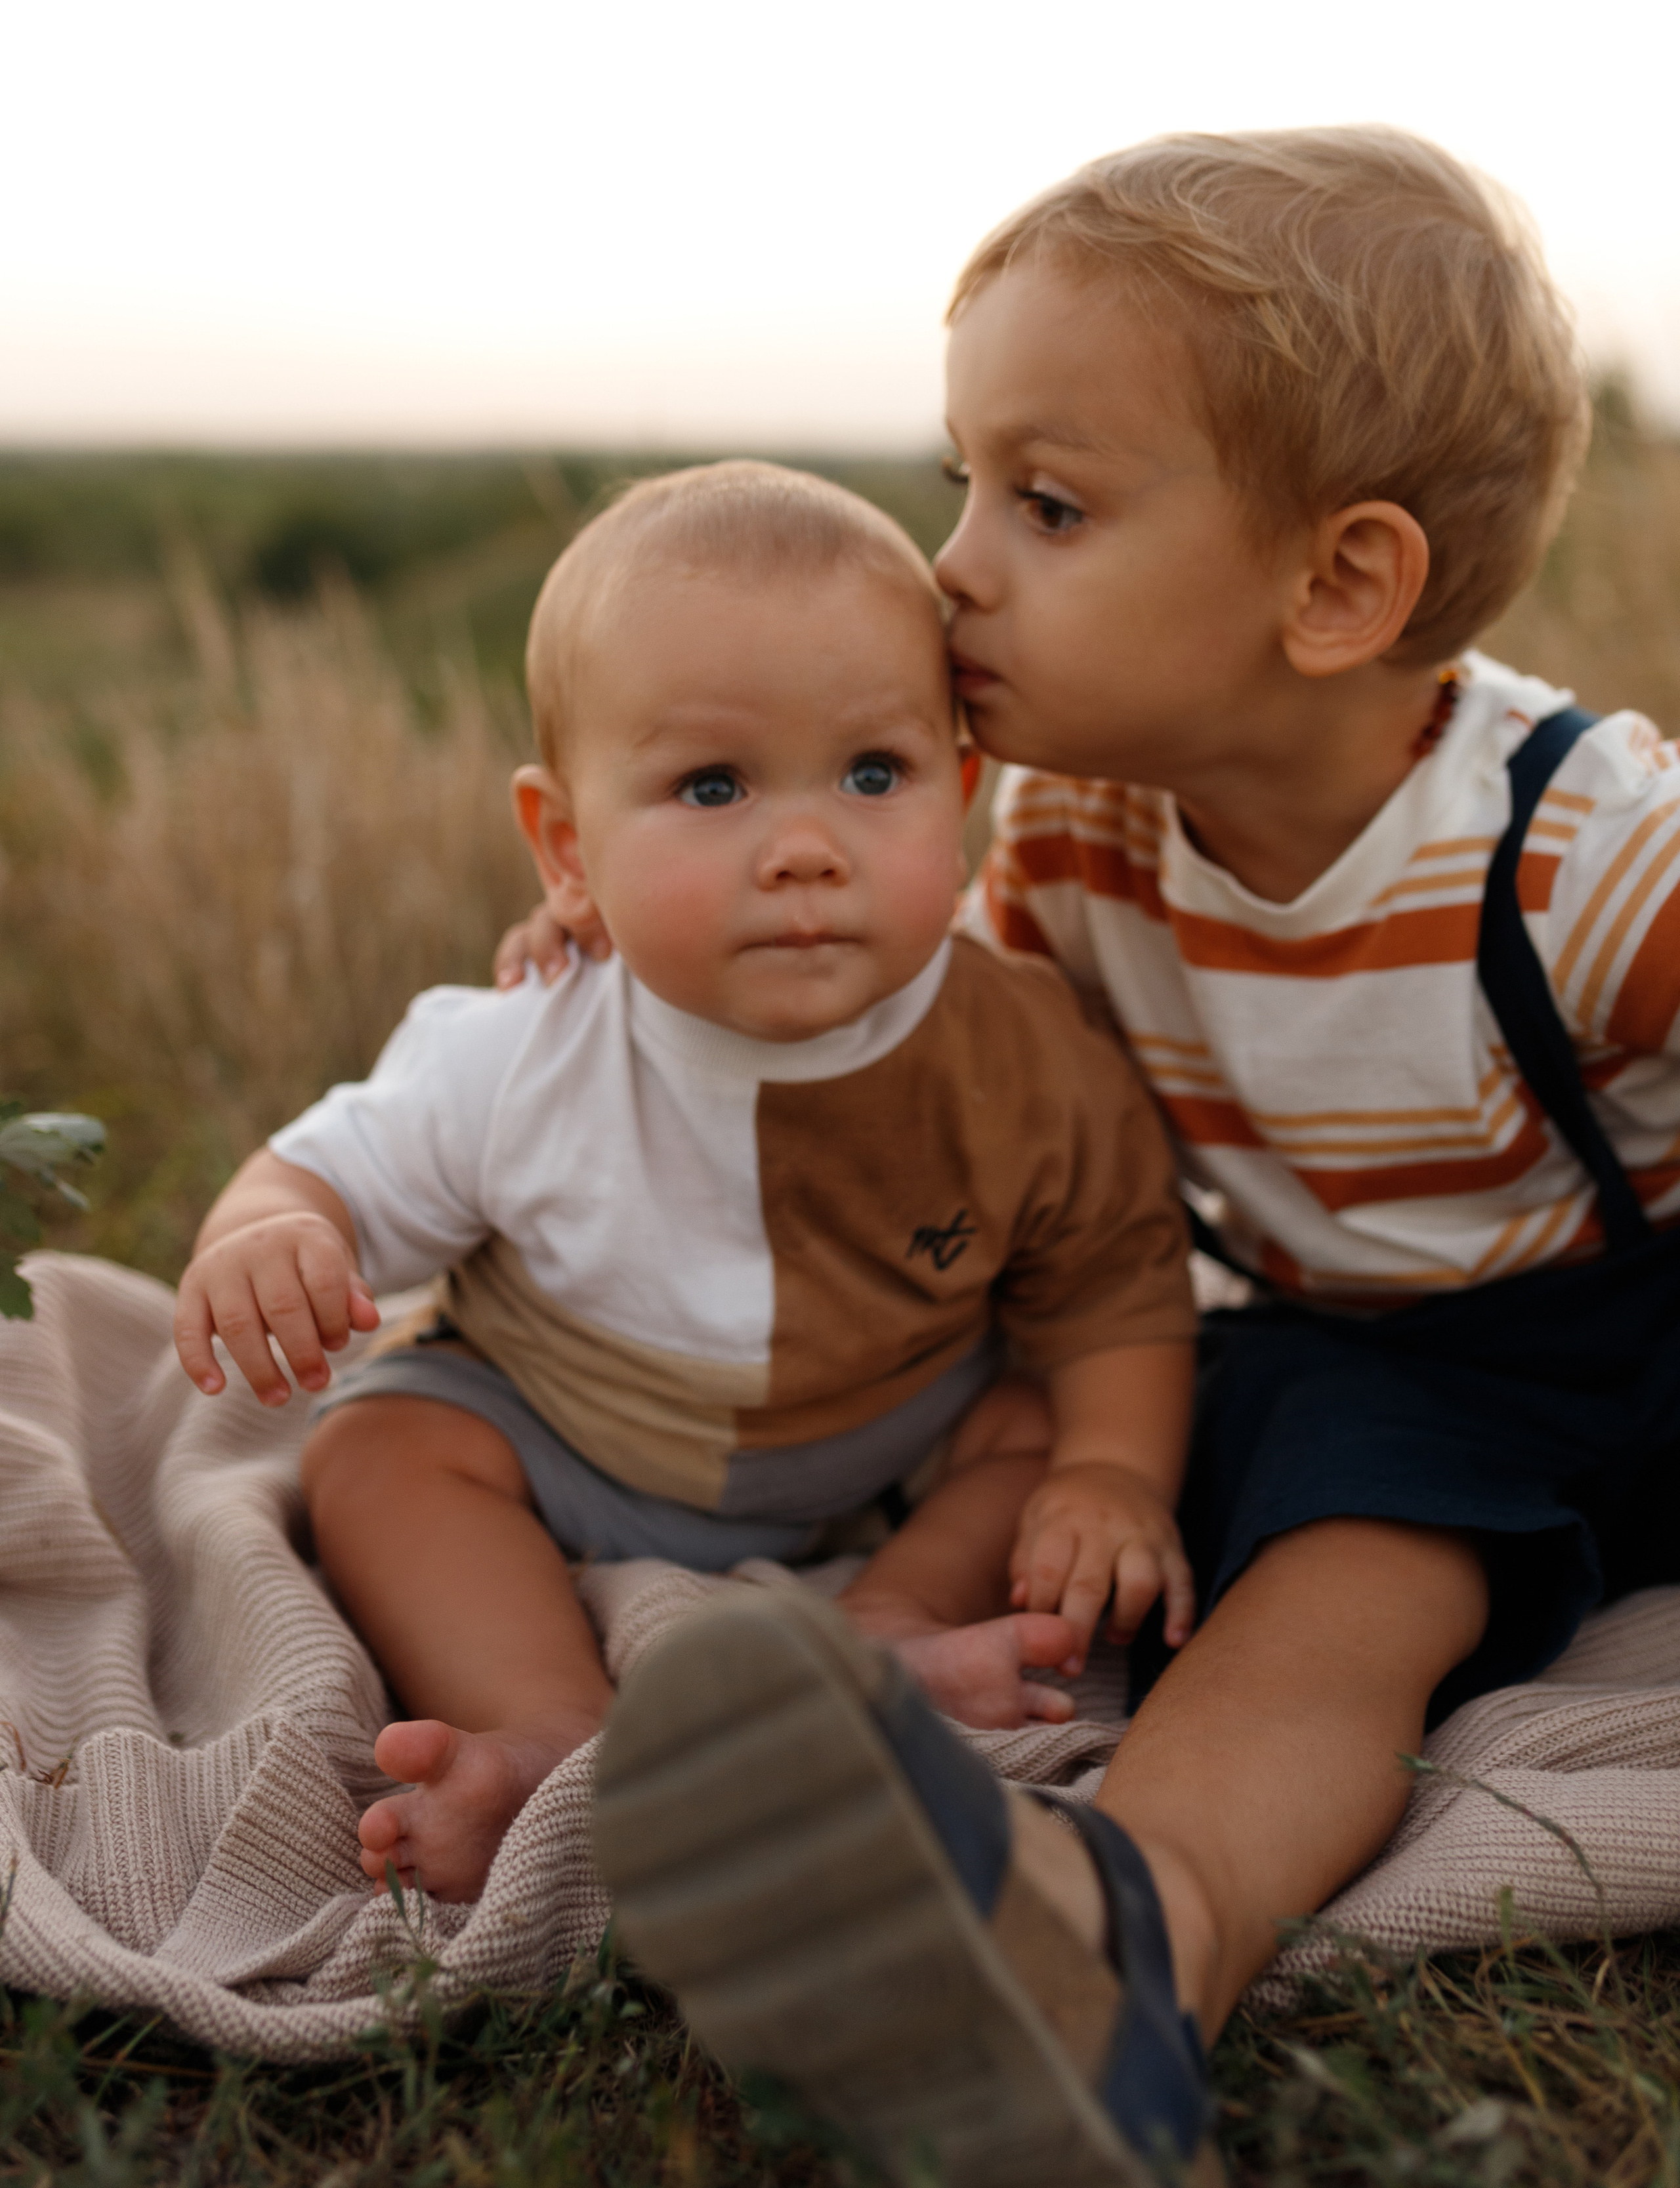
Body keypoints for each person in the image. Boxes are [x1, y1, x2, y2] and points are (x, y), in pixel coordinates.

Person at [574, 131, 1680, 2185]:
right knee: (1325, 1602)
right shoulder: (1073, 848)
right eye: (961, 486)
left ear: (1337, 587)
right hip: (1394, 1367)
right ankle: (1113, 1946)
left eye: (1048, 504)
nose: (956, 567)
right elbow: (940, 1094)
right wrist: (635, 969)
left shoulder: (1572, 835)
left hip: (1655, 1292)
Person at [173, 459, 1198, 1905]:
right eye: (711, 786)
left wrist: (1107, 1472)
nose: (801, 849)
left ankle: (892, 1633)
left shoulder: (1024, 1054)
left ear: (959, 800)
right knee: (380, 1451)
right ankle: (547, 1731)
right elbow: (320, 1168)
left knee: (1043, 1424)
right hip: (574, 1430)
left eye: (871, 774)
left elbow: (1115, 1287)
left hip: (886, 1438)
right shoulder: (523, 1052)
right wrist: (269, 1232)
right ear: (566, 850)